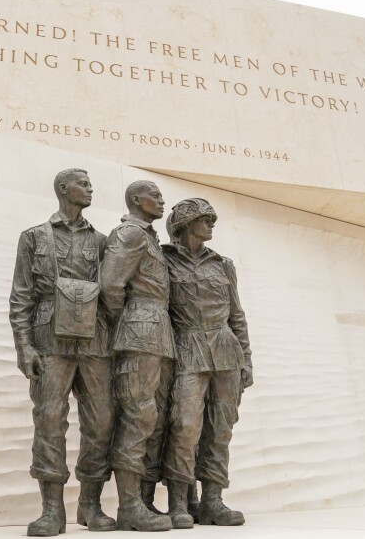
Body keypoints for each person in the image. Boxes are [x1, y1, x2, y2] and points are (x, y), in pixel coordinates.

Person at [9, 168, 116, 536]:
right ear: (63, 188)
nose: (90, 189)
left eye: (90, 184)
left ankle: (91, 503)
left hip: (95, 340)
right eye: (83, 184)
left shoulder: (103, 242)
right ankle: (52, 509)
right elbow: (21, 296)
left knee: (101, 421)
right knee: (49, 420)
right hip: (48, 337)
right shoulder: (33, 237)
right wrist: (24, 345)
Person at [160, 198, 252, 528]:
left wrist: (247, 360)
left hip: (226, 350)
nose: (212, 223)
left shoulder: (223, 264)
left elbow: (236, 315)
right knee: (184, 425)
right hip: (187, 347)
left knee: (220, 429)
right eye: (205, 218)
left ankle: (213, 500)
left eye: (212, 218)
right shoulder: (163, 261)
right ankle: (179, 501)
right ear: (185, 224)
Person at [100, 180, 174, 532]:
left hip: (157, 333)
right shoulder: (129, 233)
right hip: (140, 331)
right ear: (136, 200)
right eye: (154, 196)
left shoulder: (148, 237)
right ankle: (129, 506)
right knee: (138, 415)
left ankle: (141, 501)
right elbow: (111, 284)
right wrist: (128, 320)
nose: (161, 201)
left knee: (152, 418)